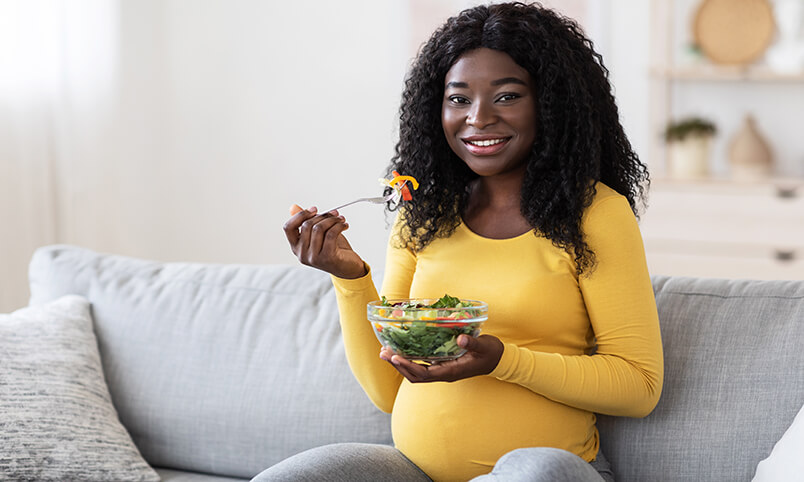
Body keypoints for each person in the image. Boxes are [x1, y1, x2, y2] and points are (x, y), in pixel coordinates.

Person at [270, 2, 663, 481]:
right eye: (458, 99)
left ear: (552, 104)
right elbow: (387, 391)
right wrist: (349, 278)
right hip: (414, 469)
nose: (477, 118)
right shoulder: (423, 213)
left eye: (507, 96)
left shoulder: (596, 213)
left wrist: (502, 361)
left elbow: (638, 387)